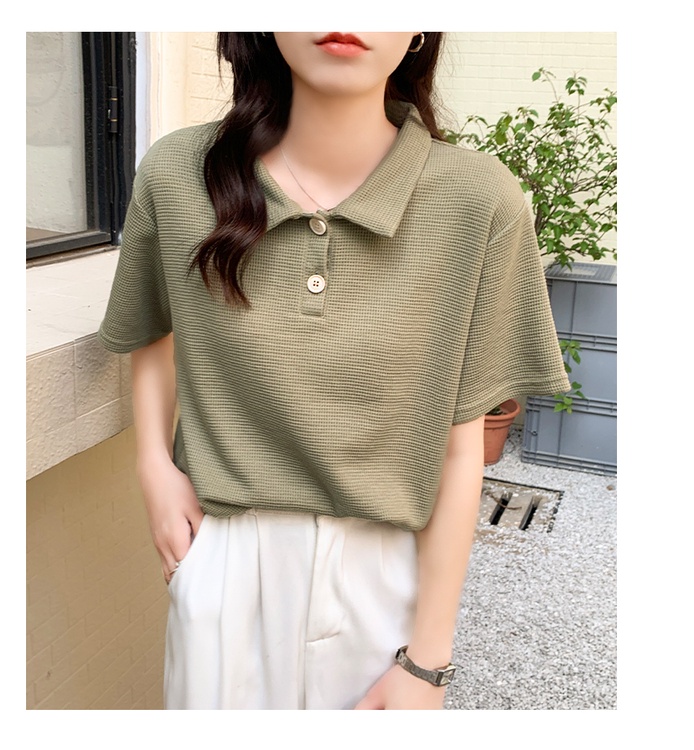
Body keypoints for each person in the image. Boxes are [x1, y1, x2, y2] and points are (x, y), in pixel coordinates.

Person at [98, 32, 570, 710]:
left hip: (385, 570)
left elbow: (461, 445)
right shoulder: (177, 172)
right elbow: (153, 320)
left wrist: (428, 662)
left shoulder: (478, 199)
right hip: (224, 550)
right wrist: (153, 465)